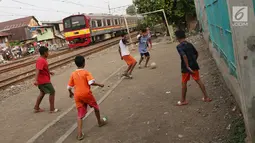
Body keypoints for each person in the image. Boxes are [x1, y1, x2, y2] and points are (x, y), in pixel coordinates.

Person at [67, 56, 107, 140]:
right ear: (84, 63)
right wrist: (100, 85)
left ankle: (79, 134)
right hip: (86, 94)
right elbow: (91, 82)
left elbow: (69, 87)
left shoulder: (73, 74)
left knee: (80, 115)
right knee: (96, 107)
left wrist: (71, 93)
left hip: (77, 95)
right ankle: (99, 122)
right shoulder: (86, 72)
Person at [175, 30, 212, 106]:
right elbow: (196, 53)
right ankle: (206, 97)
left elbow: (184, 55)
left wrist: (187, 66)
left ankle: (183, 101)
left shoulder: (179, 46)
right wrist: (194, 61)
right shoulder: (189, 44)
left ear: (177, 37)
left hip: (185, 67)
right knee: (198, 80)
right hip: (194, 66)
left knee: (184, 83)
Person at [34, 46, 59, 113]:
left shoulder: (42, 60)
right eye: (47, 52)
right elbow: (38, 70)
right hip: (43, 81)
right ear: (45, 53)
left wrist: (49, 72)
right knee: (52, 92)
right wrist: (35, 80)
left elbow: (43, 69)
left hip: (42, 80)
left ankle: (36, 107)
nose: (48, 53)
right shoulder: (41, 60)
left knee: (42, 93)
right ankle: (52, 109)